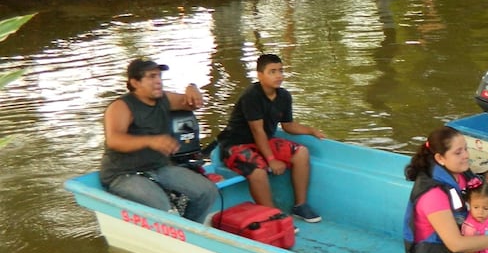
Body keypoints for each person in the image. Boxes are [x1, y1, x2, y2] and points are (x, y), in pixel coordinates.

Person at [99, 58, 218, 222]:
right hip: (123, 174)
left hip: (158, 167)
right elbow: (115, 140)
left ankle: (188, 228)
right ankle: (174, 229)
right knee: (163, 208)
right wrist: (150, 141)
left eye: (159, 76)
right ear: (135, 83)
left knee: (207, 192)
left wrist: (192, 88)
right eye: (151, 77)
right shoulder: (121, 106)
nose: (158, 81)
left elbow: (190, 103)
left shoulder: (164, 98)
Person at [217, 53, 325, 223]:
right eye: (272, 72)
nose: (278, 75)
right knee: (258, 171)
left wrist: (311, 131)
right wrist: (271, 160)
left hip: (262, 142)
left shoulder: (284, 96)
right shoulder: (251, 96)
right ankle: (273, 216)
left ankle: (300, 206)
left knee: (301, 152)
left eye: (280, 71)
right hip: (235, 144)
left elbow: (288, 125)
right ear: (260, 75)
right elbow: (257, 131)